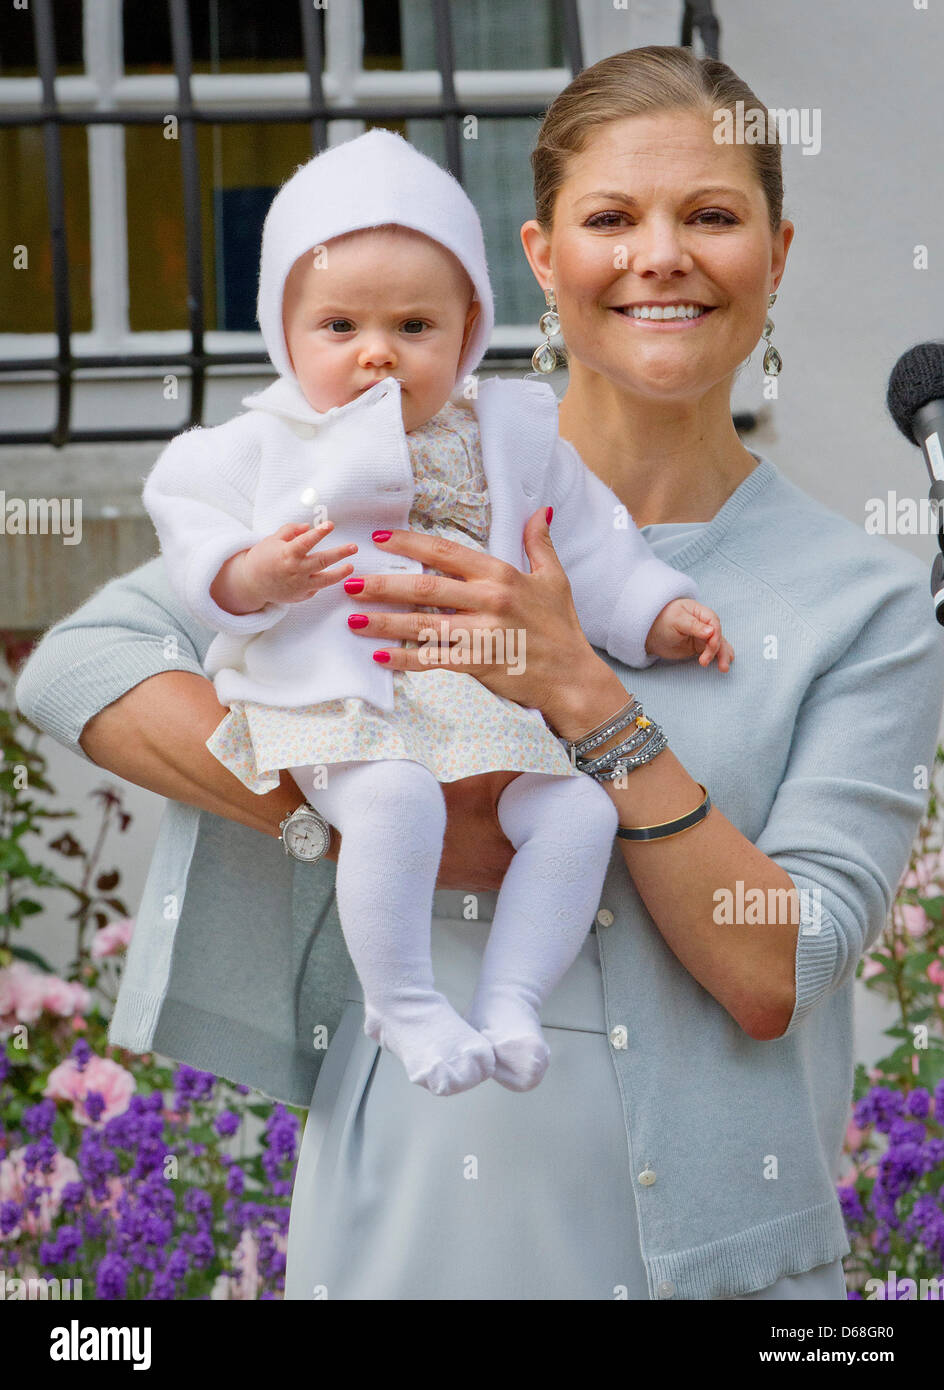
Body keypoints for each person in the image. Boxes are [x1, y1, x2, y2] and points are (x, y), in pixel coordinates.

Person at [15, 45, 944, 1300]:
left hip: (715, 1264)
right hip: (409, 1197)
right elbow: (84, 663)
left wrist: (590, 702)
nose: (658, 255)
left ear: (773, 256)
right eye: (608, 218)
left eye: (711, 217)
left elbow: (777, 969)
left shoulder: (861, 602)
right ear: (539, 258)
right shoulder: (375, 484)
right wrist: (354, 803)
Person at [140, 129, 730, 1099]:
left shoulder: (511, 428)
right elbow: (193, 535)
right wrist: (256, 575)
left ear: (466, 332)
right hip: (337, 699)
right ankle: (403, 1001)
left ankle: (509, 997)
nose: (377, 353)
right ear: (284, 334)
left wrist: (656, 608)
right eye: (339, 327)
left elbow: (582, 539)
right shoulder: (256, 445)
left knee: (579, 810)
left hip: (479, 700)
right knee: (394, 798)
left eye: (414, 327)